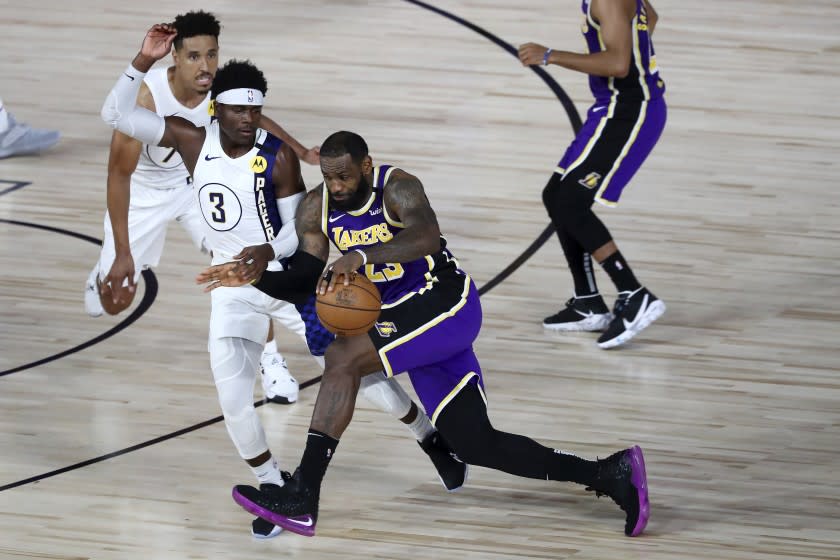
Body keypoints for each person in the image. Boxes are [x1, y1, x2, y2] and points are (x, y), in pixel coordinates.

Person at [100, 25, 467, 539]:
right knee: (232, 402)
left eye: (256, 109)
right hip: (232, 286)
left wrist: (263, 254)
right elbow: (115, 115)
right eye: (238, 110)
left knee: (357, 374)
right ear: (216, 111)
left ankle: (431, 439)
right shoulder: (188, 140)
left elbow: (303, 239)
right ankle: (275, 488)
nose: (250, 119)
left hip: (291, 283)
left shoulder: (277, 157)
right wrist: (142, 59)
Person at [201, 130, 650, 538]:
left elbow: (426, 237)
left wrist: (359, 254)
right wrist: (254, 276)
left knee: (343, 358)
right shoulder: (317, 207)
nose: (336, 187)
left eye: (344, 177)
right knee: (474, 442)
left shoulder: (397, 185)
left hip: (446, 303)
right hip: (405, 321)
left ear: (366, 166)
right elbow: (304, 277)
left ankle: (303, 495)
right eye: (328, 177)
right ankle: (609, 474)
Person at [85, 10, 317, 403]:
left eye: (212, 55)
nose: (206, 66)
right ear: (173, 55)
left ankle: (271, 361)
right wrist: (123, 252)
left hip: (197, 185)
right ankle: (102, 271)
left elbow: (255, 121)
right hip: (143, 193)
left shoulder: (218, 92)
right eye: (194, 56)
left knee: (244, 256)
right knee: (112, 304)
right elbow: (118, 176)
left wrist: (300, 151)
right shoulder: (148, 96)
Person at [518, 0, 666, 349]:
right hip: (611, 108)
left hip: (630, 112)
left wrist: (550, 55)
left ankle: (634, 293)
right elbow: (651, 17)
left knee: (571, 203)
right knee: (556, 195)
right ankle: (587, 301)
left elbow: (617, 63)